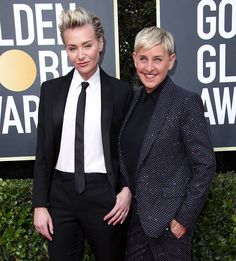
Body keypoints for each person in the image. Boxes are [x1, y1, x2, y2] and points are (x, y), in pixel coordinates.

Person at [32, 7, 133, 261]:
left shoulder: (121, 92)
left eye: (86, 45)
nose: (80, 55)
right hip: (61, 196)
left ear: (100, 43)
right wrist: (39, 204)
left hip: (104, 195)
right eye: (72, 48)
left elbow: (130, 147)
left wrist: (128, 189)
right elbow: (43, 152)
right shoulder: (51, 90)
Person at [118, 26, 216, 260]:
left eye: (157, 59)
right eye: (143, 59)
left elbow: (205, 164)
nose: (149, 68)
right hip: (135, 222)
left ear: (170, 61)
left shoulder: (185, 102)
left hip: (169, 224)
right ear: (134, 59)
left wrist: (183, 218)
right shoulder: (132, 98)